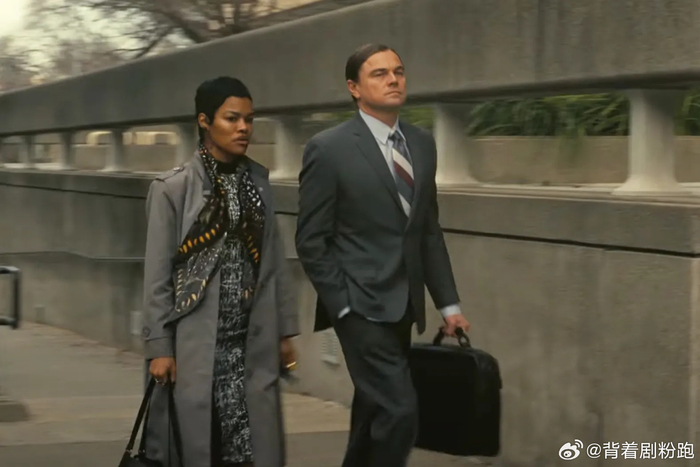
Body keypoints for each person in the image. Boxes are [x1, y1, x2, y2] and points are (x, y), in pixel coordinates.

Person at [295, 44, 471, 467]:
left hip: (404, 304)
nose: (393, 79)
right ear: (354, 88)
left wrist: (449, 305)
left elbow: (427, 231)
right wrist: (342, 305)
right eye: (379, 74)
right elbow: (311, 240)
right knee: (400, 410)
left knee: (374, 411)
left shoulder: (422, 144)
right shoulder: (328, 148)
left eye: (398, 71)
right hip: (358, 306)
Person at [141, 76, 300, 467]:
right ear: (204, 121)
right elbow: (157, 276)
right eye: (232, 118)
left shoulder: (257, 185)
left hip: (249, 344)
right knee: (200, 447)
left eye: (249, 119)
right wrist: (159, 347)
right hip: (196, 347)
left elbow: (274, 262)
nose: (244, 128)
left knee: (250, 450)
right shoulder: (172, 189)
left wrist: (284, 330)